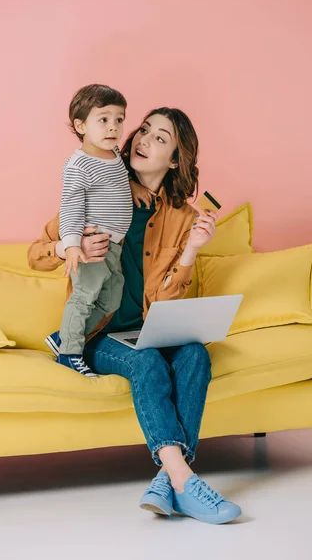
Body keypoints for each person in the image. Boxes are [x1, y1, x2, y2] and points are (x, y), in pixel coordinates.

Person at [28, 107, 242, 525]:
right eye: (143, 129)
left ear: (176, 160)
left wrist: (191, 252)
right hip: (98, 333)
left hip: (145, 328)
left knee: (195, 354)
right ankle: (185, 479)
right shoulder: (99, 188)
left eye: (160, 138)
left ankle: (166, 480)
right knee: (146, 362)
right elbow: (36, 255)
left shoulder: (182, 217)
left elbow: (163, 297)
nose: (143, 140)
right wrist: (67, 249)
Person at [54, 84, 153, 377]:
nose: (114, 127)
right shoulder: (79, 165)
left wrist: (132, 184)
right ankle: (69, 353)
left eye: (119, 119)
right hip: (93, 247)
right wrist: (72, 244)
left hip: (114, 247)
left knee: (111, 298)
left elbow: (117, 179)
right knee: (84, 297)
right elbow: (71, 205)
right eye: (104, 119)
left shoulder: (112, 157)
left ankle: (65, 336)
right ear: (80, 125)